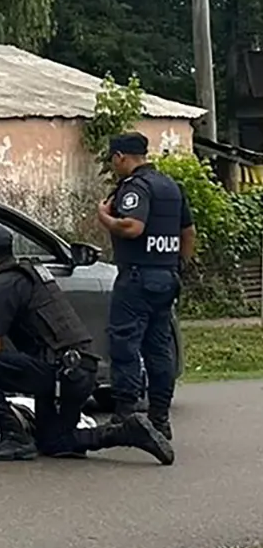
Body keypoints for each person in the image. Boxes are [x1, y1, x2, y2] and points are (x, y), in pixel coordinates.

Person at [0, 223, 173, 463]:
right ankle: (128, 432)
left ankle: (15, 437)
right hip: (80, 369)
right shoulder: (30, 273)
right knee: (54, 443)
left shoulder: (1, 286)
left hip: (59, 372)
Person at [97, 132, 196, 441]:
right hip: (166, 276)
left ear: (120, 157)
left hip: (137, 277)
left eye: (114, 160)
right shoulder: (171, 186)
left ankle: (126, 417)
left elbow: (132, 227)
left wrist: (105, 218)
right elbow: (188, 232)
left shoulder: (135, 187)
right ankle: (160, 418)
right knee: (159, 349)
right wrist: (178, 265)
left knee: (125, 345)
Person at [0, 394, 173, 464]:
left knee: (59, 444)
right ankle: (123, 432)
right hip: (21, 408)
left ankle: (126, 431)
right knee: (62, 445)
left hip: (27, 417)